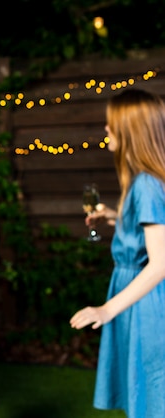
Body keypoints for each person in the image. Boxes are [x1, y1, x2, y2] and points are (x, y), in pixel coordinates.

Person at [70, 88, 165, 418]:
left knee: (150, 397)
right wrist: (114, 216)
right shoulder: (143, 180)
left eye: (111, 124)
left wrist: (106, 310)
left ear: (130, 130)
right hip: (135, 294)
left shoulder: (146, 184)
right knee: (140, 392)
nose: (106, 129)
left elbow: (160, 263)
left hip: (144, 302)